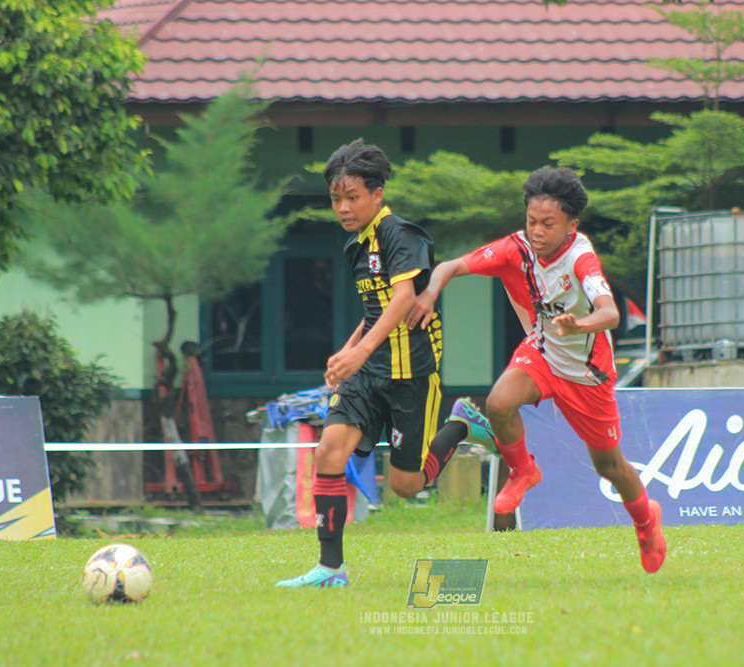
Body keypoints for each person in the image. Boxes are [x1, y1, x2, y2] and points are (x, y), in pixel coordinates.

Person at [407, 166, 666, 574]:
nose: (537, 231)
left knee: (610, 466)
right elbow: (450, 267)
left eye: (548, 223)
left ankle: (647, 524)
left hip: (587, 375)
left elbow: (611, 313)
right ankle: (524, 470)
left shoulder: (582, 258)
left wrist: (581, 324)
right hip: (543, 354)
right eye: (531, 221)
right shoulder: (516, 248)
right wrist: (429, 293)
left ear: (571, 225)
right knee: (499, 402)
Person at [276, 139, 495, 588]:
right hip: (370, 371)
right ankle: (331, 569)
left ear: (377, 194)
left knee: (406, 486)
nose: (342, 207)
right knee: (328, 451)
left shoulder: (401, 235)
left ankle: (461, 425)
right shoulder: (357, 246)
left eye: (351, 197)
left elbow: (403, 299)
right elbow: (376, 311)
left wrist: (357, 352)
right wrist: (350, 349)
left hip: (412, 374)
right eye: (335, 199)